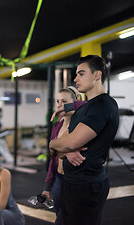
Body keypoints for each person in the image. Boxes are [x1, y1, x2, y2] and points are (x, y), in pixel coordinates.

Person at [50, 55, 119, 225]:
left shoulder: (103, 105)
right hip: (70, 182)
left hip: (87, 186)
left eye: (81, 74)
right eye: (76, 74)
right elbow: (60, 151)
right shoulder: (86, 107)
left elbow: (69, 143)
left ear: (97, 75)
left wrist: (54, 144)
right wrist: (63, 151)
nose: (75, 79)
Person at [42, 87, 85, 225]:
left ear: (74, 103)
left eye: (64, 101)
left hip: (74, 180)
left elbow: (91, 105)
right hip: (58, 180)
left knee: (66, 220)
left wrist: (70, 107)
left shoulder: (81, 125)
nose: (60, 105)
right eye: (58, 101)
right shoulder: (57, 126)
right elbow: (52, 157)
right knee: (60, 217)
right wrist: (47, 187)